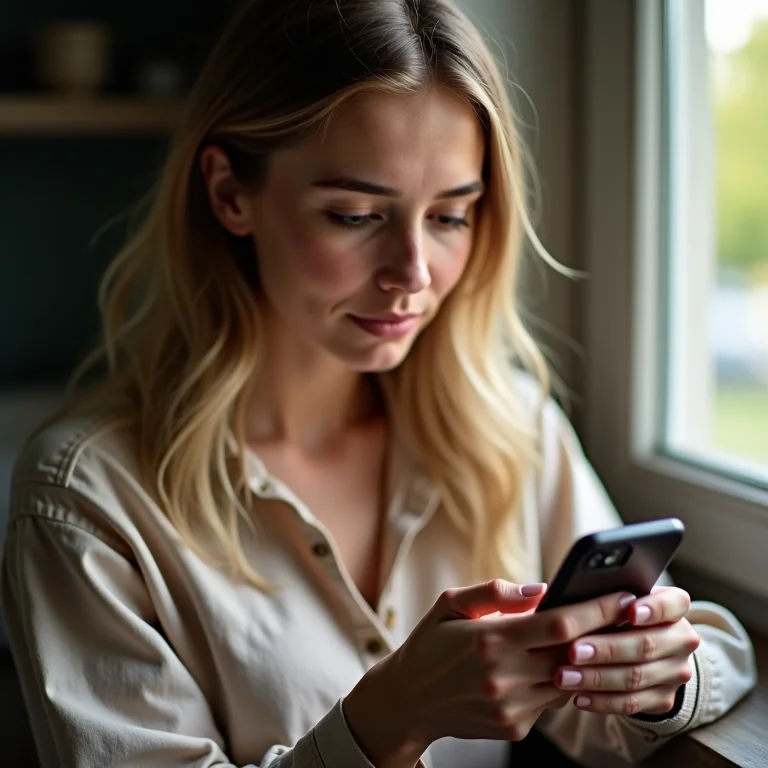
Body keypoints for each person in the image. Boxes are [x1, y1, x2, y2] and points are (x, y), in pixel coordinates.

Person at [0, 1, 756, 766]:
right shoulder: (87, 501)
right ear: (230, 192)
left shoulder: (506, 427)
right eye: (357, 215)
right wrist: (388, 718)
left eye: (451, 216)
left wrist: (656, 676)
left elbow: (649, 695)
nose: (413, 275)